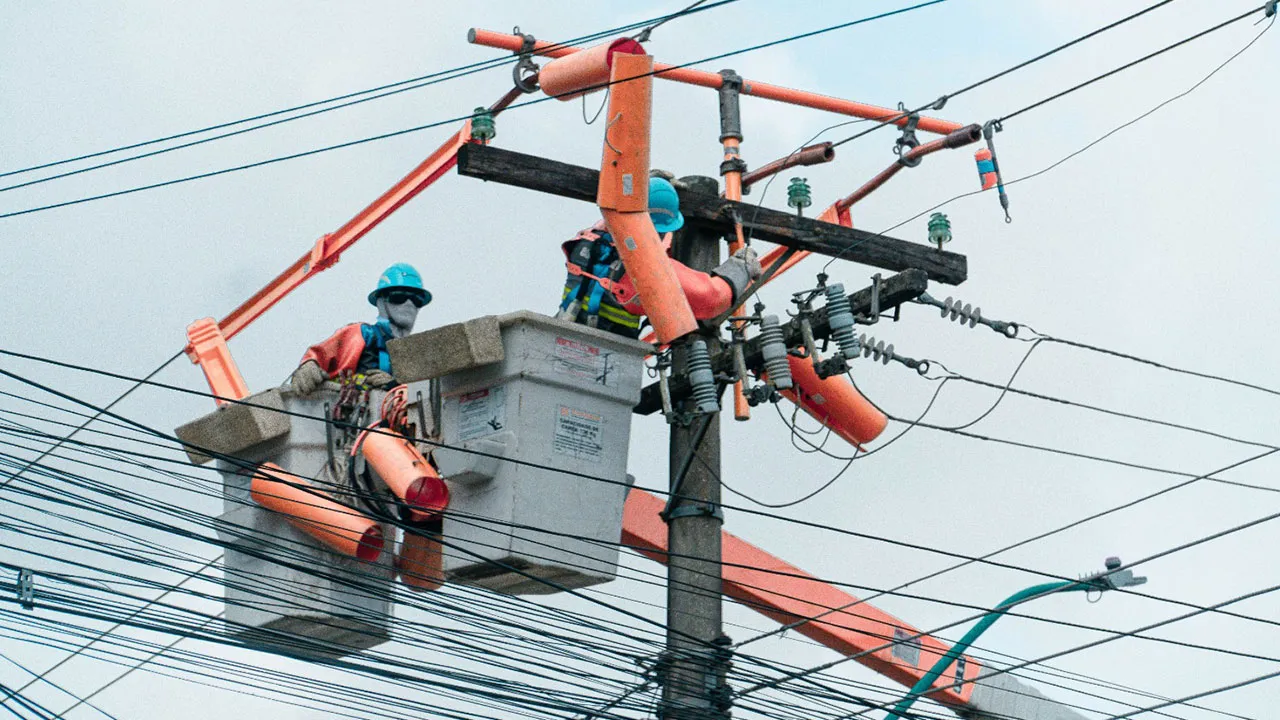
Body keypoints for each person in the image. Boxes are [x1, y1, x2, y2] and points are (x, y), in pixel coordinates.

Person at [556, 174, 761, 338]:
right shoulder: (642, 270)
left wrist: (647, 185)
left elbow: (621, 218)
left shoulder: (587, 242)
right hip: (604, 360)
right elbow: (711, 298)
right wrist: (740, 267)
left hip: (562, 339)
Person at [290, 263, 431, 394]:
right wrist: (309, 365)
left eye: (416, 299)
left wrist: (394, 387)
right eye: (399, 296)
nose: (409, 304)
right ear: (381, 301)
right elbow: (320, 354)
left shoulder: (414, 355)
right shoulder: (362, 334)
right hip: (347, 412)